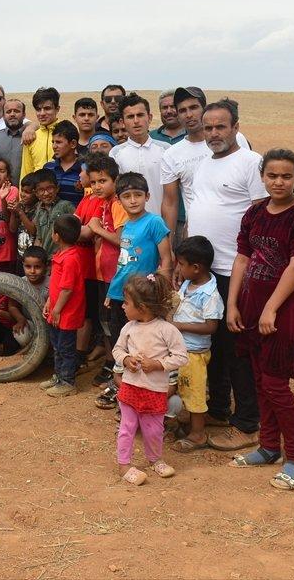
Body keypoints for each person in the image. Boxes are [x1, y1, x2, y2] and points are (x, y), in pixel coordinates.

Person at [226, 149, 294, 491]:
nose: (279, 182)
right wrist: (233, 303)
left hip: (284, 310)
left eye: (287, 176)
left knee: (276, 384)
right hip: (250, 305)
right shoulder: (254, 212)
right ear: (262, 176)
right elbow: (242, 258)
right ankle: (267, 447)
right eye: (272, 175)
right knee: (260, 380)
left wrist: (271, 309)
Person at [180, 97, 265, 453]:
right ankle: (216, 410)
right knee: (212, 346)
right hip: (205, 271)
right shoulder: (204, 164)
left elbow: (262, 215)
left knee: (237, 348)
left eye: (221, 127)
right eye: (209, 126)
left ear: (235, 127)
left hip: (237, 270)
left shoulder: (250, 162)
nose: (214, 133)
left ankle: (247, 423)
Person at [97, 171, 172, 410]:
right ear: (119, 200)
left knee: (143, 345)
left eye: (138, 195)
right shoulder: (127, 226)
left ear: (147, 196)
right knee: (124, 342)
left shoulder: (154, 222)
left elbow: (166, 261)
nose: (133, 200)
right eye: (127, 196)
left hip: (143, 297)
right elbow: (124, 262)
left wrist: (161, 294)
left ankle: (141, 395)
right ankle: (124, 391)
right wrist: (111, 292)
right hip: (121, 294)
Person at [113, 274, 189, 485]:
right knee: (127, 427)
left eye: (127, 303)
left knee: (154, 429)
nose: (123, 307)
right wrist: (127, 359)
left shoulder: (167, 330)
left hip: (155, 390)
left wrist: (158, 364)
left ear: (143, 307)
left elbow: (182, 357)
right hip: (130, 387)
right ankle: (124, 465)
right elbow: (117, 349)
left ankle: (155, 459)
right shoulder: (128, 328)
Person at [160, 86, 251, 244]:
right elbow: (170, 203)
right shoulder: (172, 155)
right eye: (182, 110)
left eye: (194, 107)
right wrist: (168, 246)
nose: (189, 115)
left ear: (204, 109)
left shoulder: (236, 138)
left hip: (237, 237)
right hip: (196, 239)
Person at [168, 235, 223, 453]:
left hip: (194, 354)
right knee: (182, 387)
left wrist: (181, 326)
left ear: (197, 267)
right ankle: (187, 424)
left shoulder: (210, 294)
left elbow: (211, 326)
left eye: (181, 264)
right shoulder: (189, 283)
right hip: (182, 349)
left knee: (195, 392)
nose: (179, 268)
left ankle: (198, 434)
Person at [74, 155, 124, 373]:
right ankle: (110, 363)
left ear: (115, 180)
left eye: (102, 181)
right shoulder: (103, 203)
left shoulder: (117, 204)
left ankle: (115, 366)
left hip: (115, 275)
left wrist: (96, 229)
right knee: (106, 322)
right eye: (93, 182)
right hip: (102, 272)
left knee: (115, 324)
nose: (96, 186)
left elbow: (122, 240)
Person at [41, 214, 85, 397]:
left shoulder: (70, 259)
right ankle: (58, 376)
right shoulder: (62, 255)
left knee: (65, 348)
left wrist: (57, 309)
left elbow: (67, 289)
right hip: (57, 310)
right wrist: (50, 303)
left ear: (57, 236)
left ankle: (67, 381)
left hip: (66, 312)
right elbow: (57, 286)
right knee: (57, 346)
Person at [109, 93, 169, 216]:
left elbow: (172, 196)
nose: (136, 121)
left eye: (140, 115)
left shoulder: (166, 149)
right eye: (130, 117)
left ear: (150, 117)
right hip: (129, 226)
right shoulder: (116, 153)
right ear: (122, 122)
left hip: (161, 224)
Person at [13, 170, 75, 261]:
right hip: (45, 260)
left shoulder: (66, 206)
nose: (46, 193)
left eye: (49, 188)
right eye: (41, 190)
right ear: (36, 193)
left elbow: (76, 230)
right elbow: (38, 236)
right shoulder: (38, 209)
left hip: (62, 258)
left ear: (57, 188)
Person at [19, 87, 61, 183]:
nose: (42, 113)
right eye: (38, 109)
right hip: (37, 193)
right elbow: (26, 171)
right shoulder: (30, 136)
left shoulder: (66, 132)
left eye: (47, 108)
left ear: (57, 109)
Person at [0, 98, 27, 184]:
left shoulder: (31, 136)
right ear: (3, 116)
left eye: (16, 111)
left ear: (24, 115)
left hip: (25, 192)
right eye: (8, 112)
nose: (12, 114)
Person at [43, 120, 83, 205]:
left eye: (58, 142)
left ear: (73, 144)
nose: (54, 146)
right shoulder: (48, 168)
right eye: (53, 142)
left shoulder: (84, 169)